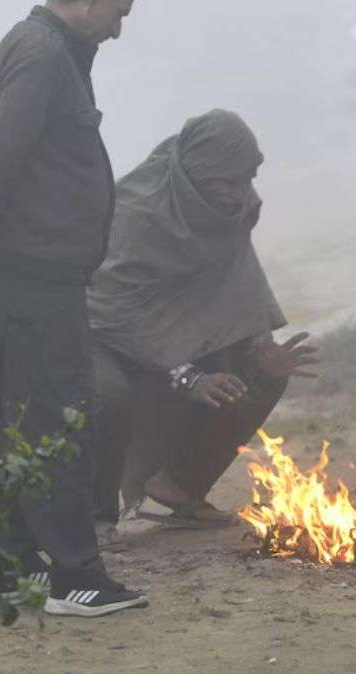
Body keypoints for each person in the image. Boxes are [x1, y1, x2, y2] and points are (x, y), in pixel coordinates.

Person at [0, 0, 145, 617]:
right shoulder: (42, 53)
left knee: (19, 426)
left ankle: (12, 563)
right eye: (117, 11)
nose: (117, 27)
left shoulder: (49, 50)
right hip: (33, 282)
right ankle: (77, 578)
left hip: (29, 276)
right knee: (57, 426)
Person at [86, 109, 318, 537]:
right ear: (193, 175)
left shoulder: (232, 209)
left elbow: (234, 281)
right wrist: (186, 375)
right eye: (227, 182)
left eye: (247, 179)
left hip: (171, 340)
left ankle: (178, 485)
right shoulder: (135, 215)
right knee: (109, 397)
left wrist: (258, 348)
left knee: (258, 378)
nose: (240, 194)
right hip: (100, 337)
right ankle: (93, 516)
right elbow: (109, 310)